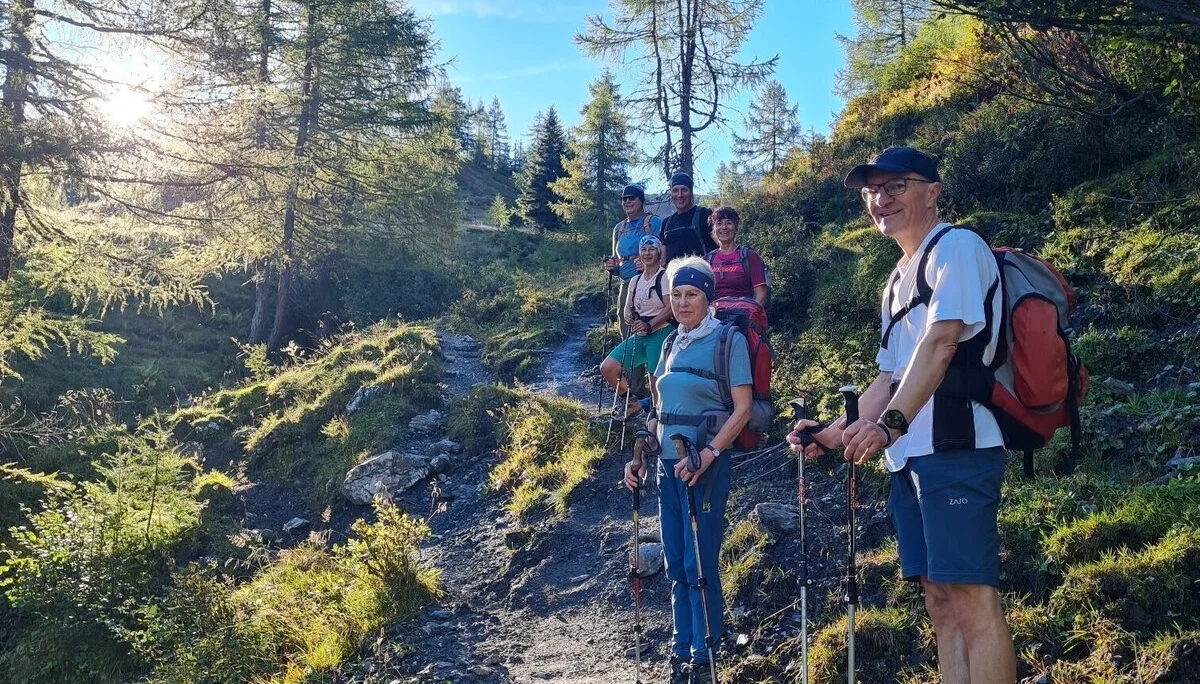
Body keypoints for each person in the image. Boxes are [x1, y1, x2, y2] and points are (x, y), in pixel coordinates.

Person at [788, 146, 1015, 684]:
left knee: (972, 601)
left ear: (933, 192)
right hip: (909, 460)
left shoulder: (956, 248)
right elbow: (888, 378)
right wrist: (830, 434)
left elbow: (941, 343)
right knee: (940, 601)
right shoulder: (896, 281)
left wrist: (890, 424)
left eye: (896, 187)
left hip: (957, 448)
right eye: (872, 191)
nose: (880, 200)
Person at [624, 256, 751, 684]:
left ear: (708, 297)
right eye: (676, 293)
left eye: (691, 294)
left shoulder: (726, 341)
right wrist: (639, 456)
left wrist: (712, 453)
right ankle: (682, 645)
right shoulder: (668, 344)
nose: (681, 302)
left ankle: (706, 649)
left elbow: (743, 409)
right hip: (666, 465)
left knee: (701, 562)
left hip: (704, 466)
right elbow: (656, 412)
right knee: (676, 559)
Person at [601, 235, 673, 420]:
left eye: (651, 249)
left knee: (655, 383)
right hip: (640, 335)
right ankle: (632, 403)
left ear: (658, 253)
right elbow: (627, 309)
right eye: (643, 250)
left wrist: (649, 324)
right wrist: (630, 316)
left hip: (661, 333)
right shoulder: (635, 280)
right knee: (608, 367)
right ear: (639, 254)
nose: (647, 253)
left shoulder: (664, 276)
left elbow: (670, 308)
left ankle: (657, 424)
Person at [604, 184, 663, 337]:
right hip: (626, 283)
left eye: (632, 198)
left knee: (648, 322)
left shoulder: (653, 223)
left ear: (641, 200)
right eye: (624, 199)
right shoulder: (619, 228)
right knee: (625, 319)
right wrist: (612, 268)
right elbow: (616, 260)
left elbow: (662, 254)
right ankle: (628, 357)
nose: (627, 202)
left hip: (649, 281)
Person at [703, 206, 768, 305]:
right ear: (714, 228)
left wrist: (751, 317)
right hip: (713, 317)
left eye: (729, 223)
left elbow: (761, 295)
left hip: (743, 315)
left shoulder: (749, 256)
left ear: (736, 227)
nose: (724, 227)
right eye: (719, 223)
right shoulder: (707, 260)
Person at [659, 172, 716, 264]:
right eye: (675, 190)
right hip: (672, 276)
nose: (680, 195)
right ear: (671, 193)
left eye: (684, 190)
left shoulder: (705, 215)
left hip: (701, 274)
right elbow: (663, 260)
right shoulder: (666, 224)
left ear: (691, 192)